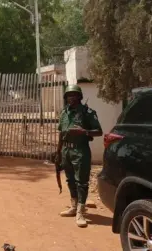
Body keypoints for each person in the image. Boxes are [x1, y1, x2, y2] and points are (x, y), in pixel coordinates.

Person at [56, 85, 103, 228]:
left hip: (80, 151)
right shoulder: (64, 113)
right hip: (66, 150)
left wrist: (84, 132)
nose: (71, 97)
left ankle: (81, 212)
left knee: (81, 182)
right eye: (68, 95)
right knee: (70, 179)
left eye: (74, 95)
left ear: (79, 96)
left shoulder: (87, 112)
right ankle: (74, 206)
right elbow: (61, 133)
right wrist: (58, 152)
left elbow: (99, 131)